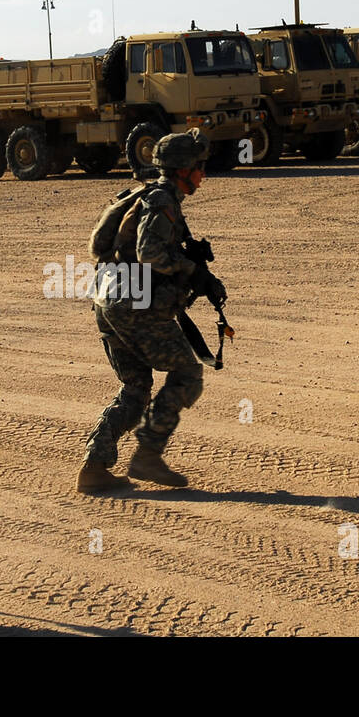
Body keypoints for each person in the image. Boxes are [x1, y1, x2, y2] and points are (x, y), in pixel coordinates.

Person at [78, 129, 226, 494]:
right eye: (199, 167)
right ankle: (148, 454)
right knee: (187, 372)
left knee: (136, 387)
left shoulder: (146, 194)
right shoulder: (162, 202)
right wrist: (190, 271)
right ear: (183, 169)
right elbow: (149, 254)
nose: (203, 174)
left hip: (109, 299)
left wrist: (201, 277)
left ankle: (94, 468)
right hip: (133, 304)